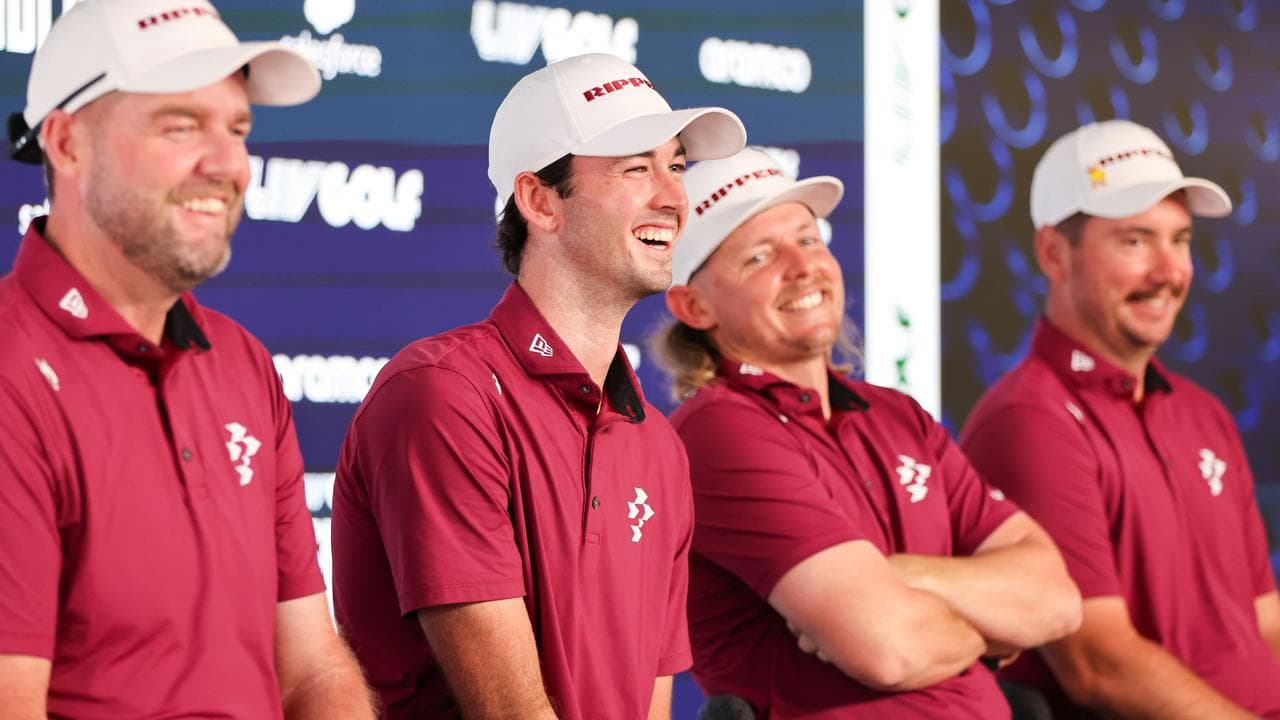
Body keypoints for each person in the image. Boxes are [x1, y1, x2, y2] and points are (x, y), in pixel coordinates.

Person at [330, 52, 746, 719]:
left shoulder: (659, 446)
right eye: (637, 168)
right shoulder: (445, 395)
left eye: (676, 166)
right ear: (539, 201)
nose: (672, 197)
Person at [0, 0, 374, 717]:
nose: (227, 165)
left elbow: (312, 670)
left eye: (237, 130)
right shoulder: (12, 371)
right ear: (68, 142)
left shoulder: (243, 364)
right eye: (181, 126)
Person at [651, 146, 1081, 719]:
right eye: (758, 257)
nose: (803, 266)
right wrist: (993, 629)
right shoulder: (717, 430)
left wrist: (902, 575)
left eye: (808, 239)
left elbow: (1056, 600)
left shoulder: (897, 415)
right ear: (695, 306)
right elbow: (890, 650)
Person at [960, 119, 1280, 718]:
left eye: (1180, 240)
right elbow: (1098, 666)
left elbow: (1265, 621)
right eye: (1135, 241)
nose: (1169, 272)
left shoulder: (1202, 413)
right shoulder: (1029, 420)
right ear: (1053, 253)